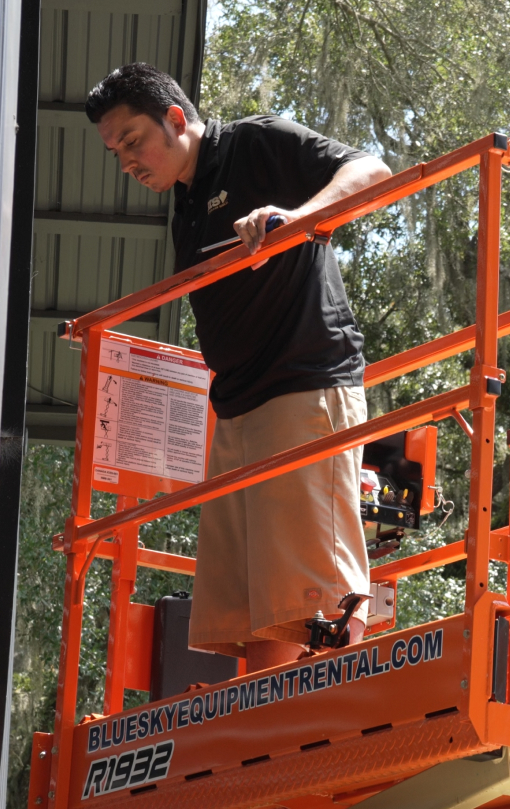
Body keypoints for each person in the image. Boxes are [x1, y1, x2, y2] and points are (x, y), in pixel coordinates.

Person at [85, 63, 391, 672]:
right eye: (115, 151)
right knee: (251, 607)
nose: (126, 162)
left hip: (304, 386)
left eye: (132, 141)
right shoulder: (186, 203)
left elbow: (373, 171)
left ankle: (324, 720)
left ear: (176, 119)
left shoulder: (254, 142)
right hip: (236, 409)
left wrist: (298, 219)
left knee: (313, 592)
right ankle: (260, 732)